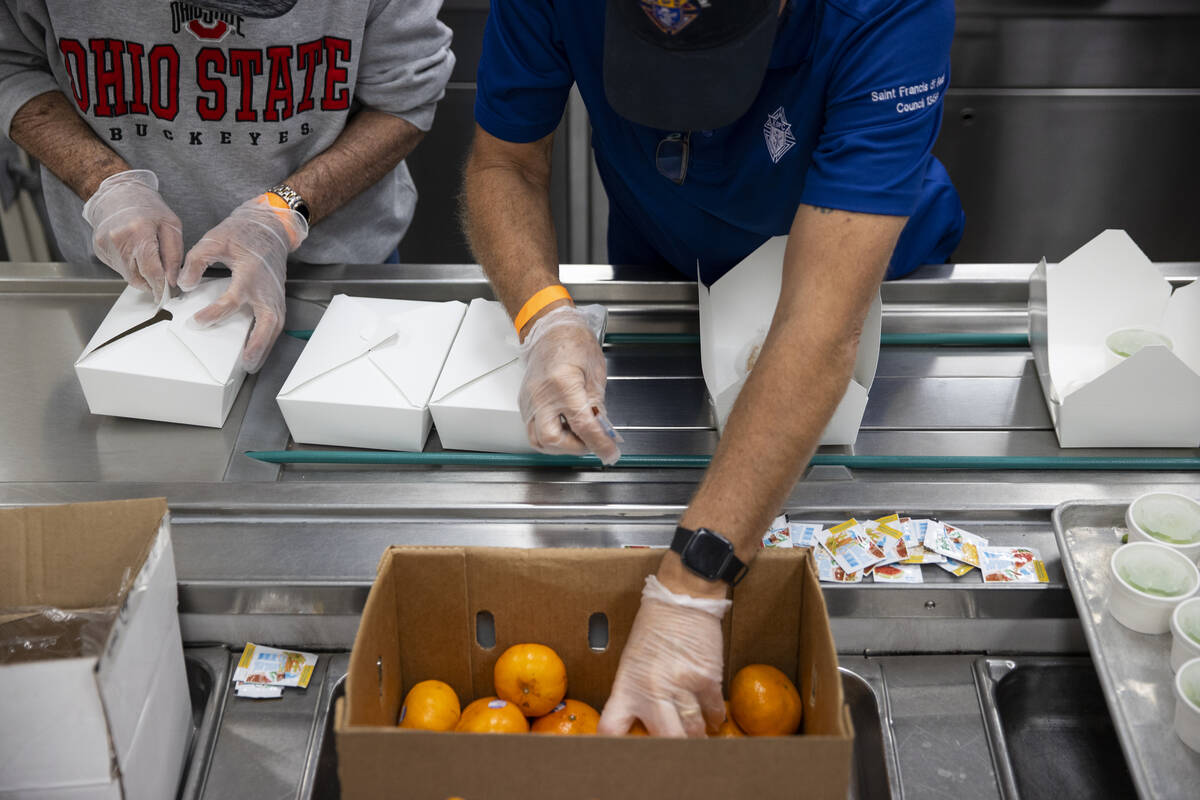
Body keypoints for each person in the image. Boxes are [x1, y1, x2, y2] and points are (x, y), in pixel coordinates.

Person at [461, 0, 964, 736]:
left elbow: (821, 331)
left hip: (856, 251)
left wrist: (691, 588)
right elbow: (505, 158)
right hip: (668, 250)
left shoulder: (888, 11)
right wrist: (545, 316)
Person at [0, 0, 453, 371]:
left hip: (332, 269)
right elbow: (12, 66)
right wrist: (107, 183)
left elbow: (402, 99)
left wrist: (282, 212)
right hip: (124, 274)